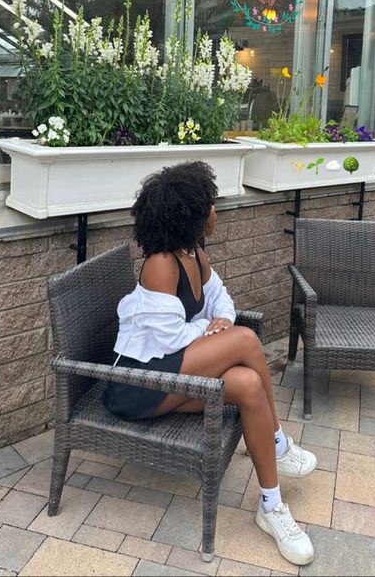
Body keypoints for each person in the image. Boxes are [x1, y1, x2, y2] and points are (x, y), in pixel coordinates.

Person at [105, 161, 315, 566]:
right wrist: (218, 333)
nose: (215, 212)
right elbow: (168, 339)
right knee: (245, 340)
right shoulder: (160, 265)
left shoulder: (193, 253)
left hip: (172, 374)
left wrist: (220, 321)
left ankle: (271, 507)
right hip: (137, 384)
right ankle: (278, 442)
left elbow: (222, 298)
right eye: (210, 205)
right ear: (190, 214)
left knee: (249, 385)